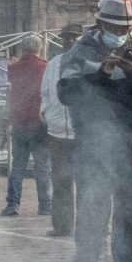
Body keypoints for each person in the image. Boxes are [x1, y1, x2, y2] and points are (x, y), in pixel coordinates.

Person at [57, 0, 132, 262]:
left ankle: (125, 258)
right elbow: (66, 93)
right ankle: (87, 257)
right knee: (94, 196)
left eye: (125, 28)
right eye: (115, 28)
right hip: (93, 135)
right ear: (101, 24)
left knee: (130, 199)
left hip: (130, 135)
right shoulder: (80, 50)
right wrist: (101, 74)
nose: (120, 33)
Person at [40, 24, 82, 239]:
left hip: (82, 133)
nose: (71, 42)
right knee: (60, 182)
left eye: (75, 38)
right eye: (67, 39)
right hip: (57, 132)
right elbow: (45, 92)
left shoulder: (89, 63)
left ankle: (88, 227)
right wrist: (45, 112)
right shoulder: (53, 64)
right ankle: (62, 226)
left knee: (86, 184)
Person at [3, 38, 50, 216]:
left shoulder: (14, 68)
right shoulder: (44, 67)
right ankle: (45, 206)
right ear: (40, 49)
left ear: (23, 49)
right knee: (42, 167)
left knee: (18, 166)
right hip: (38, 123)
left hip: (19, 122)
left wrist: (14, 64)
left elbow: (12, 74)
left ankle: (12, 204)